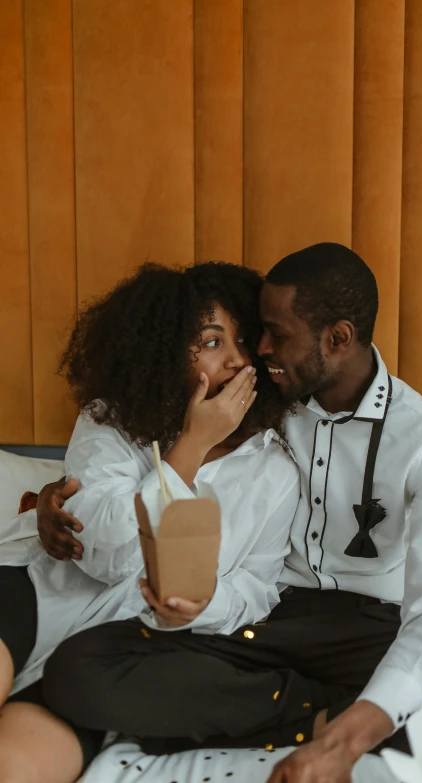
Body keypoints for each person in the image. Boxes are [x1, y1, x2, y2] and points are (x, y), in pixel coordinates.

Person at [40, 244, 422, 783]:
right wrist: (49, 497)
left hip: (366, 627)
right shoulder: (266, 401)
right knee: (79, 669)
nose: (258, 351)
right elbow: (147, 430)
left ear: (337, 338)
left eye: (276, 334)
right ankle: (316, 712)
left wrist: (347, 742)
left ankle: (306, 717)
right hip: (265, 619)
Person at [0, 261, 300, 783]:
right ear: (162, 350)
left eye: (243, 339)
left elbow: (257, 588)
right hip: (31, 592)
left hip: (109, 650)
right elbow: (109, 554)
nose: (234, 358)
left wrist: (206, 604)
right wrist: (191, 446)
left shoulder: (274, 469)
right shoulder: (110, 422)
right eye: (210, 341)